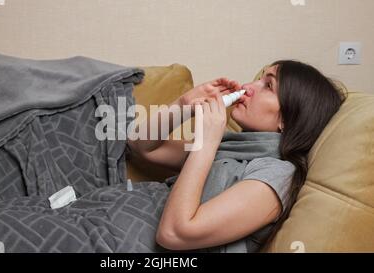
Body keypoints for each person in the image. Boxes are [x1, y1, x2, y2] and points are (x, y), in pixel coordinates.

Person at [127, 60, 347, 252]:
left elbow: (174, 234)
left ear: (287, 120)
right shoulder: (231, 147)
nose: (248, 87)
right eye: (259, 79)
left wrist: (206, 141)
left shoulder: (277, 175)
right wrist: (183, 105)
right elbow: (142, 146)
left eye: (268, 86)